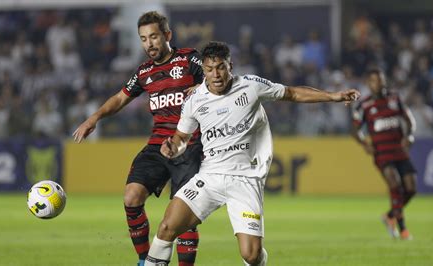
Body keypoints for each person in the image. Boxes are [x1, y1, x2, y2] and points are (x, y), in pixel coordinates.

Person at [144, 41, 360, 266]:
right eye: (209, 69)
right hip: (210, 177)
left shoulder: (251, 86)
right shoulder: (194, 100)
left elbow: (292, 93)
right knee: (167, 228)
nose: (216, 74)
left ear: (231, 66)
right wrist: (172, 147)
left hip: (245, 179)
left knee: (251, 255)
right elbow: (181, 138)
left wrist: (334, 96)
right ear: (204, 71)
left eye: (221, 67)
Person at [72, 11, 203, 266]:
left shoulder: (189, 59)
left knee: (183, 212)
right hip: (157, 145)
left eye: (154, 37)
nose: (149, 44)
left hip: (189, 144)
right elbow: (121, 98)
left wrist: (203, 86)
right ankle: (145, 261)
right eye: (143, 39)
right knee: (131, 197)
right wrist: (94, 118)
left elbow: (219, 77)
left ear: (167, 35)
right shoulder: (144, 72)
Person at [351, 69, 417, 240]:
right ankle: (403, 229)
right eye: (374, 81)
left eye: (380, 80)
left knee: (411, 189)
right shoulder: (364, 105)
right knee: (395, 185)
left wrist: (409, 136)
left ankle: (389, 216)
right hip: (382, 152)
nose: (378, 84)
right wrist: (365, 143)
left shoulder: (395, 98)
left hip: (399, 150)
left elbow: (410, 120)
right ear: (368, 83)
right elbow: (354, 130)